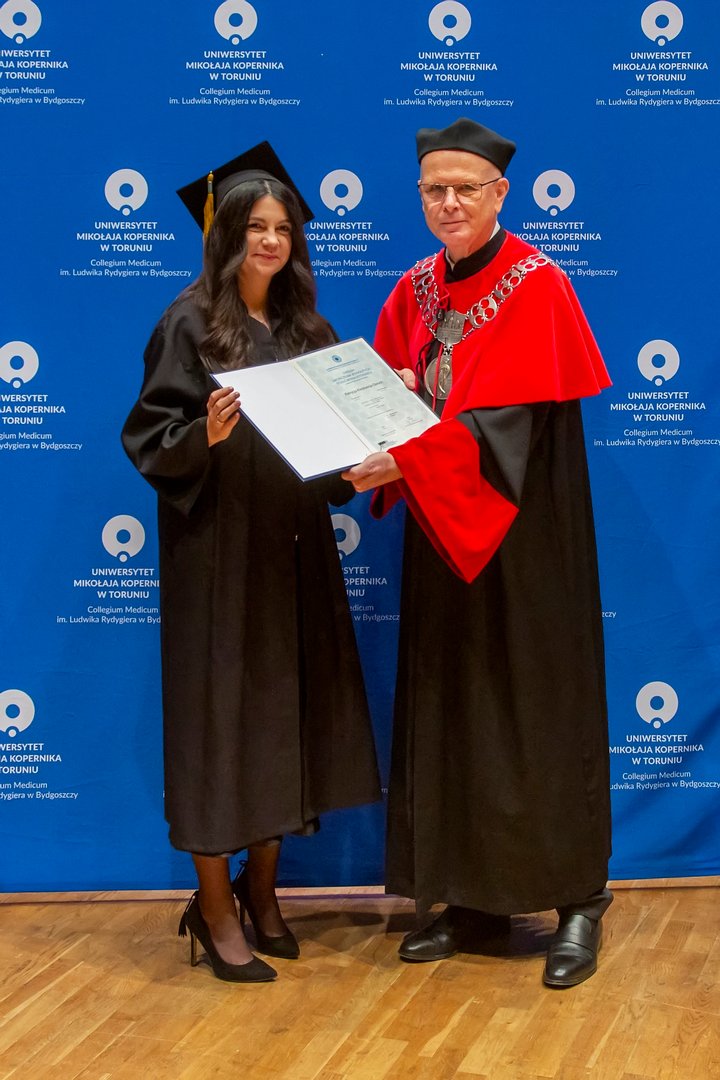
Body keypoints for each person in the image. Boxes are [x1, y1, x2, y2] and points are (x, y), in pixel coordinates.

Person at [343, 118, 612, 989]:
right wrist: (372, 427)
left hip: (527, 541)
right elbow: (390, 397)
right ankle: (470, 897)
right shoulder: (414, 288)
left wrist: (409, 454)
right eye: (435, 189)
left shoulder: (538, 284)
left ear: (501, 193)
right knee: (453, 706)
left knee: (538, 707)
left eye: (466, 188)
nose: (449, 202)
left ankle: (577, 899)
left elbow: (509, 429)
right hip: (443, 534)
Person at [122, 143, 380, 984]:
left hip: (295, 551)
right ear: (225, 234)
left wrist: (365, 458)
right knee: (219, 724)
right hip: (218, 557)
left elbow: (329, 454)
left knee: (285, 716)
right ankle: (214, 910)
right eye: (255, 228)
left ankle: (263, 892)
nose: (270, 241)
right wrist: (205, 433)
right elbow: (150, 437)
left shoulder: (309, 330)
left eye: (283, 229)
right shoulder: (190, 323)